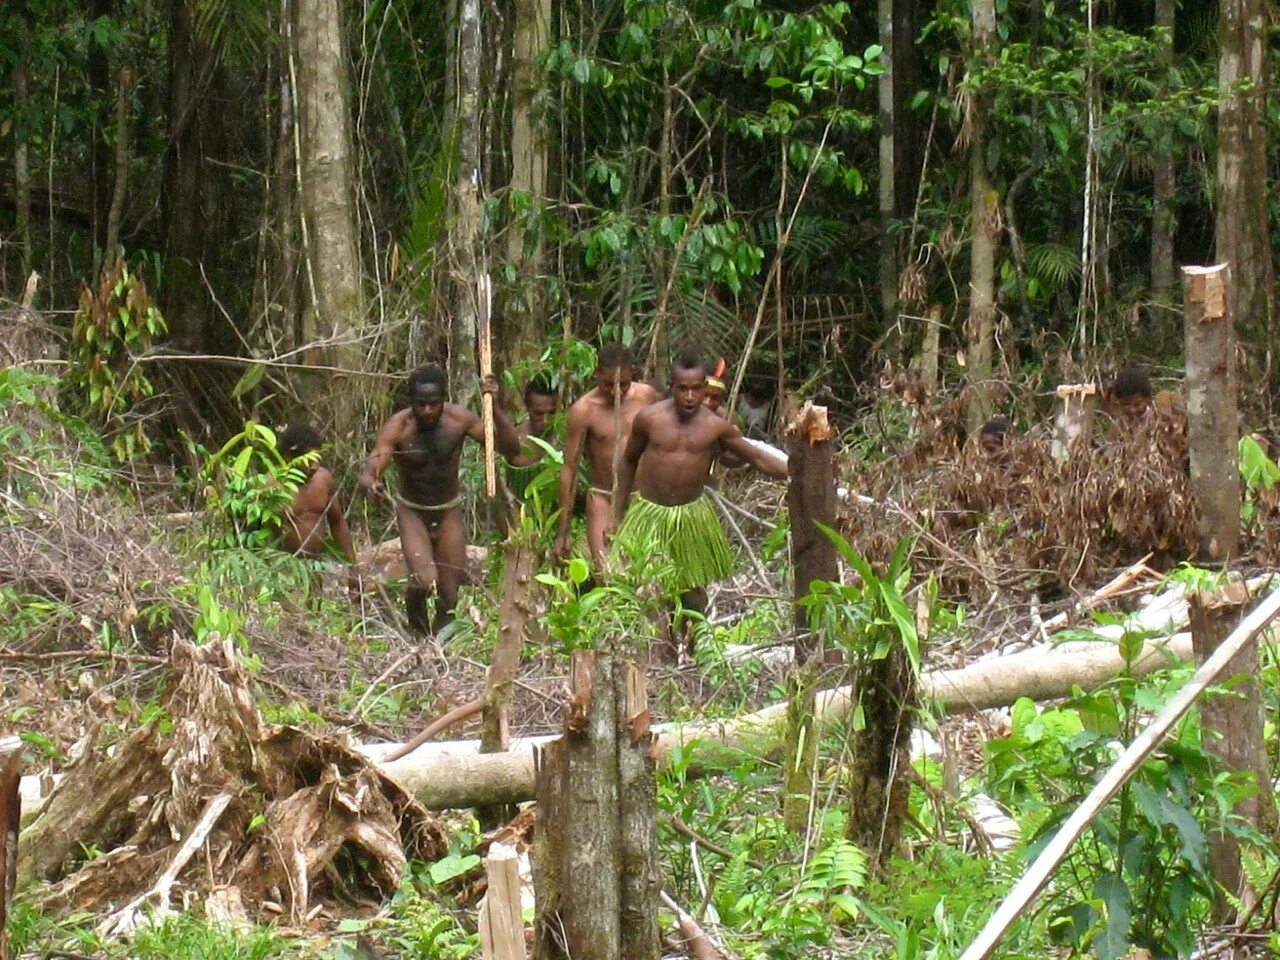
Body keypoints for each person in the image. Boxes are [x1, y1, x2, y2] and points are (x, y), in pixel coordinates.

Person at [612, 351, 789, 634]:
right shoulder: (649, 419)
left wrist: (797, 473)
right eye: (683, 388)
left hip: (692, 517)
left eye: (697, 388)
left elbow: (756, 457)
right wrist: (617, 513)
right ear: (671, 386)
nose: (691, 396)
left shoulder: (716, 427)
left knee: (692, 593)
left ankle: (694, 651)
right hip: (650, 515)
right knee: (649, 592)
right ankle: (657, 655)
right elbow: (629, 460)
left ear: (705, 388)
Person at [359, 365, 520, 634]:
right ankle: (418, 632)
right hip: (413, 512)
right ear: (411, 402)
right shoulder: (399, 427)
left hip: (448, 511)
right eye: (420, 404)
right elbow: (372, 466)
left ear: (444, 399)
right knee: (423, 582)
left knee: (449, 594)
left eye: (434, 404)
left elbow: (510, 449)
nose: (427, 411)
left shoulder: (460, 421)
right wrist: (370, 483)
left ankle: (438, 645)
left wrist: (496, 409)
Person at [556, 344, 662, 566]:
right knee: (605, 573)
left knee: (650, 573)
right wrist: (562, 531)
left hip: (642, 498)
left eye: (623, 384)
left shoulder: (647, 396)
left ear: (632, 374)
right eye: (608, 384)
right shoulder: (584, 410)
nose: (616, 392)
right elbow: (569, 469)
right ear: (597, 375)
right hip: (603, 496)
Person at [277, 423, 359, 593]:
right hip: (282, 572)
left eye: (317, 459)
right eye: (309, 460)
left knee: (311, 614)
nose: (314, 466)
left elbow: (337, 523)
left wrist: (353, 568)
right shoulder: (273, 486)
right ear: (288, 457)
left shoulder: (323, 480)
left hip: (314, 569)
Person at [504, 375, 559, 505]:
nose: (545, 421)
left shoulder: (569, 437)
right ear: (528, 408)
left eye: (551, 413)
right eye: (538, 414)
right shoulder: (514, 440)